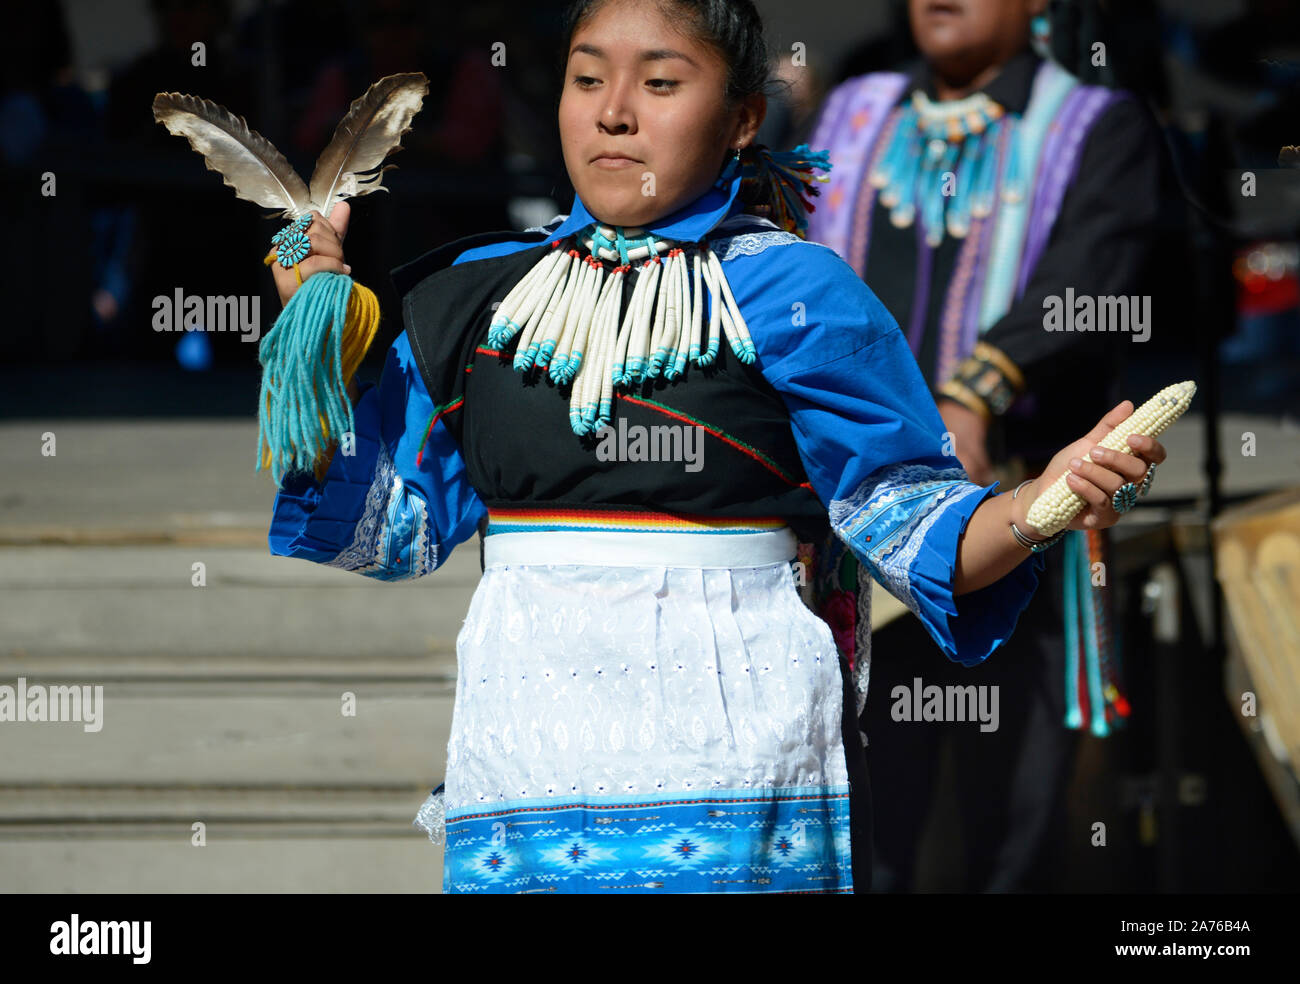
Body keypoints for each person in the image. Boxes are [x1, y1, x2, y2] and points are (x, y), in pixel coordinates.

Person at [263, 0, 1168, 895]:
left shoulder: (796, 293)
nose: (614, 110)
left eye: (660, 82)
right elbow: (390, 532)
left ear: (741, 119)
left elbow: (912, 524)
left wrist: (1042, 500)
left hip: (736, 785)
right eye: (588, 79)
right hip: (525, 778)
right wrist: (314, 327)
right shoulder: (472, 300)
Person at [804, 0, 1166, 890]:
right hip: (852, 531)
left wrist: (977, 388)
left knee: (1015, 820)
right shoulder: (856, 112)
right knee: (866, 813)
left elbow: (1090, 274)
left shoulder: (1091, 123)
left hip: (1017, 511)